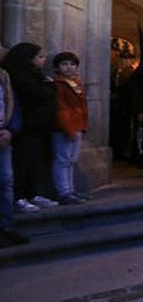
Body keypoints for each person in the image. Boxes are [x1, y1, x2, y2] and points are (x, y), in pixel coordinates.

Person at [2, 43, 58, 211]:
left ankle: (33, 193)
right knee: (22, 162)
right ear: (27, 59)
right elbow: (38, 93)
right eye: (40, 57)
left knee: (34, 161)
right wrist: (49, 86)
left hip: (39, 125)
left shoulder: (35, 75)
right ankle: (19, 197)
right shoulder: (19, 75)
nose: (44, 60)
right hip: (26, 125)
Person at [50, 51, 89, 205]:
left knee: (71, 160)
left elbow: (83, 106)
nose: (69, 67)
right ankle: (63, 192)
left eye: (72, 64)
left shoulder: (77, 83)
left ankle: (71, 190)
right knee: (62, 159)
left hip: (77, 125)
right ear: (57, 67)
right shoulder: (57, 84)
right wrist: (69, 128)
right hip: (64, 127)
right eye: (64, 64)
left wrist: (83, 125)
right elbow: (61, 108)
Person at [0, 61, 30, 246]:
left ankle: (6, 227)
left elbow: (14, 105)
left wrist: (10, 129)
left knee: (5, 182)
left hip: (3, 136)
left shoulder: (4, 77)